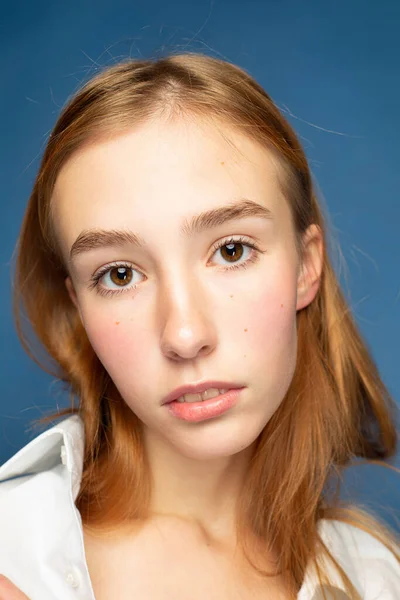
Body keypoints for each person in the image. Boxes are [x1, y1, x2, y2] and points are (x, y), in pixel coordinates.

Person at [0, 51, 399, 600]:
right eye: (119, 274)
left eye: (231, 250)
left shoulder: (374, 578)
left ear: (307, 265)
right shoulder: (15, 556)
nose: (185, 336)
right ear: (78, 307)